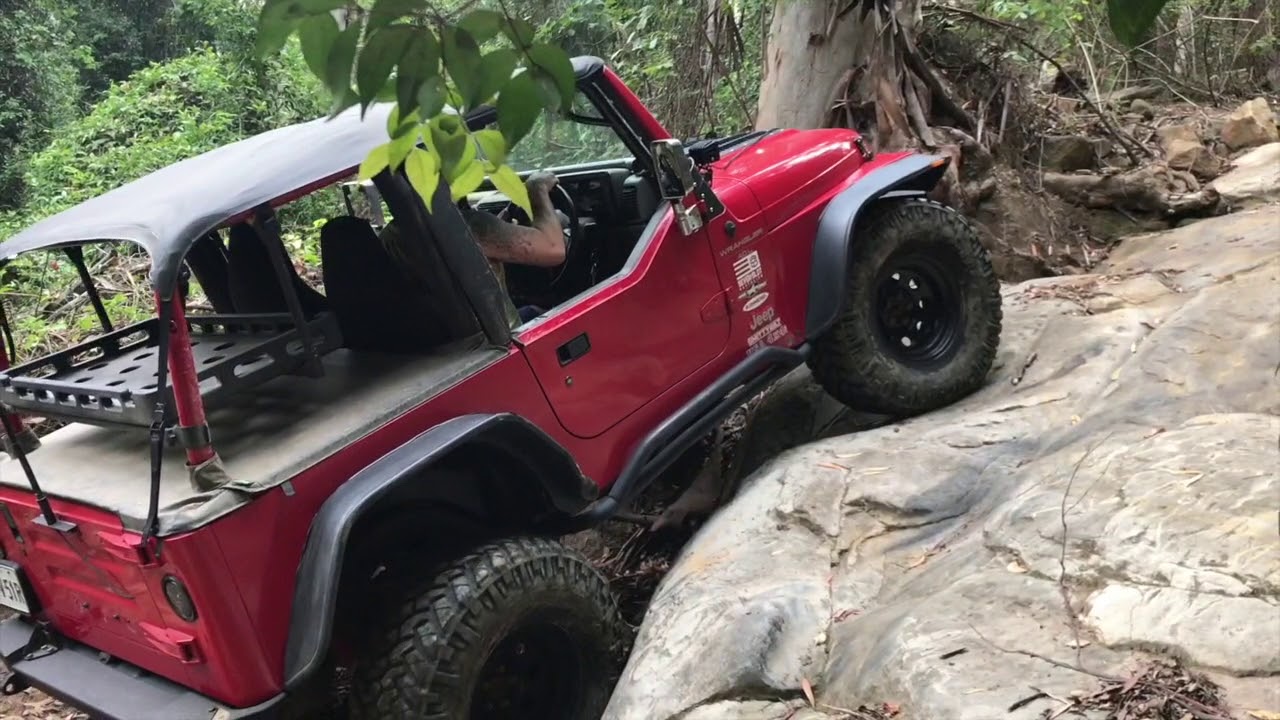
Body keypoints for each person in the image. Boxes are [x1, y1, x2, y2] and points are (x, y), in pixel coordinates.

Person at [380, 170, 566, 325]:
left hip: (452, 341)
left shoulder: (389, 236)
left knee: (533, 309)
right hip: (503, 337)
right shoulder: (467, 225)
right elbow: (553, 249)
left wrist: (500, 227)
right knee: (550, 310)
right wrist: (537, 189)